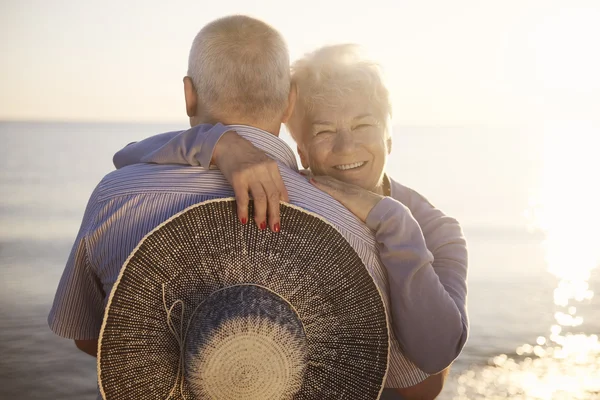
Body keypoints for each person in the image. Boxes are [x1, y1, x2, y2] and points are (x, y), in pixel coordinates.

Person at [48, 16, 444, 399]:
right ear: (290, 101)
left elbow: (88, 335)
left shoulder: (115, 197)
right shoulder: (353, 232)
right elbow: (412, 383)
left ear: (189, 94)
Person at [114, 44, 469, 379]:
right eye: (325, 131)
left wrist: (393, 219)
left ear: (389, 139)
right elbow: (127, 156)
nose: (347, 146)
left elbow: (436, 355)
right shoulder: (286, 197)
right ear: (302, 152)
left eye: (363, 126)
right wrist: (220, 144)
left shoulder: (438, 230)